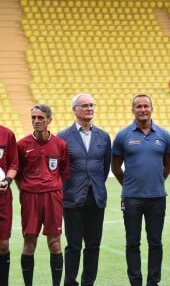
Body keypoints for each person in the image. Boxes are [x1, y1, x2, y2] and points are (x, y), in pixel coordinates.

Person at [111, 94, 170, 286]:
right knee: (132, 243)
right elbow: (115, 167)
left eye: (146, 106)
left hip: (157, 198)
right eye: (138, 106)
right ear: (133, 110)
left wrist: (156, 182)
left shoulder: (163, 135)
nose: (143, 109)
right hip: (131, 199)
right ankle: (135, 282)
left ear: (152, 108)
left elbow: (168, 165)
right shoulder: (123, 136)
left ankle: (153, 282)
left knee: (155, 243)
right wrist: (129, 185)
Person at [57, 93, 111, 286]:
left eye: (91, 105)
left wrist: (94, 184)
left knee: (93, 246)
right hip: (72, 198)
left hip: (96, 198)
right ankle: (70, 282)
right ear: (74, 110)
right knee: (73, 245)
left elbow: (105, 167)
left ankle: (89, 282)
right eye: (85, 105)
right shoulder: (62, 137)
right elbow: (61, 169)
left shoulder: (103, 137)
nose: (89, 108)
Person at [15, 104, 70, 286]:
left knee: (54, 242)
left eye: (41, 118)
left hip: (53, 197)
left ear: (49, 120)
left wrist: (53, 187)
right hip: (30, 197)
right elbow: (17, 171)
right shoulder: (22, 145)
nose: (36, 121)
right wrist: (26, 189)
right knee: (29, 241)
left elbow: (64, 172)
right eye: (34, 118)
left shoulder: (60, 144)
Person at [0, 125, 18, 286]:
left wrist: (7, 180)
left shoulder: (7, 134)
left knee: (3, 245)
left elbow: (13, 164)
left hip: (2, 198)